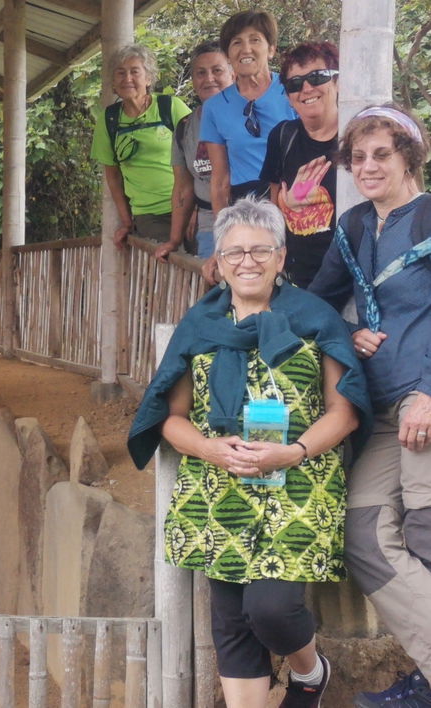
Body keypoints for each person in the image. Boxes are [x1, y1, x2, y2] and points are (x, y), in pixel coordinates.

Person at [129, 197, 370, 708]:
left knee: (271, 609)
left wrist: (296, 452)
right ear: (217, 261)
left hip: (298, 482)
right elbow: (170, 418)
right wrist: (212, 450)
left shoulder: (313, 317)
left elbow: (344, 411)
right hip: (220, 485)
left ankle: (309, 674)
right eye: (234, 252)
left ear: (281, 258)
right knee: (232, 621)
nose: (247, 261)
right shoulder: (199, 325)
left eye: (261, 250)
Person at [308, 104, 431, 708]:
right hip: (380, 409)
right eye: (357, 157)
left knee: (427, 534)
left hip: (425, 402)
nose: (367, 166)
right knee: (362, 534)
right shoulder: (354, 224)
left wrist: (430, 393)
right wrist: (344, 329)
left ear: (409, 154)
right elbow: (317, 303)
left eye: (381, 153)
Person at [90, 43, 191, 247]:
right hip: (150, 215)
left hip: (188, 206)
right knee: (170, 271)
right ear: (113, 82)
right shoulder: (109, 120)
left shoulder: (170, 107)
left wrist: (200, 206)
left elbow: (200, 156)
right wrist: (127, 223)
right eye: (120, 73)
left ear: (148, 78)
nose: (127, 79)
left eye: (134, 72)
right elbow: (113, 176)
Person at [260, 42, 340, 288]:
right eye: (295, 83)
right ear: (287, 95)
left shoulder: (358, 137)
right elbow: (273, 208)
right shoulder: (283, 136)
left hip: (349, 281)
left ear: (337, 82)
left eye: (317, 77)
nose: (306, 88)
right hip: (299, 279)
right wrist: (288, 205)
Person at [200, 11, 297, 212]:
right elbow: (220, 180)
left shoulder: (293, 90)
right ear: (227, 55)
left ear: (271, 49)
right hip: (245, 206)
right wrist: (223, 232)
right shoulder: (214, 108)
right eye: (236, 42)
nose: (246, 49)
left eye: (255, 40)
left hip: (294, 199)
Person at [157, 41, 235, 263]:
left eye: (217, 70)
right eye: (201, 73)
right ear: (193, 80)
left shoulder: (250, 118)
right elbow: (183, 188)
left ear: (233, 74)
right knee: (214, 293)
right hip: (209, 227)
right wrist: (174, 240)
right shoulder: (185, 127)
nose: (209, 78)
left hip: (249, 223)